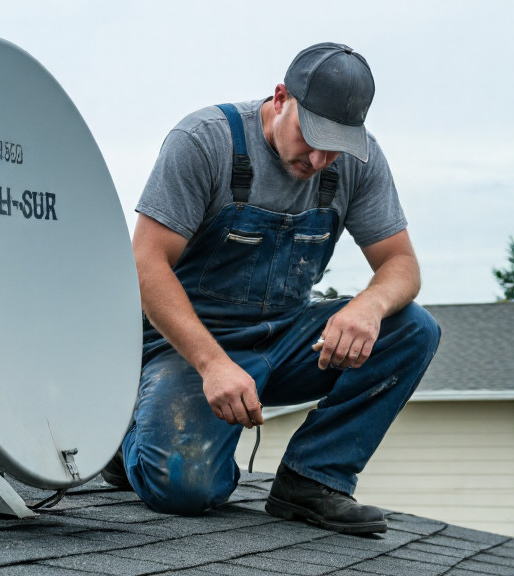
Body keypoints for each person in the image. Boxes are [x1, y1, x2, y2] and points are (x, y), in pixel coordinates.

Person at [103, 42, 441, 534]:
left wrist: (369, 306)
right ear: (281, 97)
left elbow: (401, 263)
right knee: (186, 490)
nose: (322, 158)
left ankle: (313, 480)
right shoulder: (205, 142)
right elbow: (146, 263)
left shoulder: (355, 163)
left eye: (338, 144)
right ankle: (125, 438)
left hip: (283, 339)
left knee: (411, 329)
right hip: (187, 346)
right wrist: (213, 363)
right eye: (313, 136)